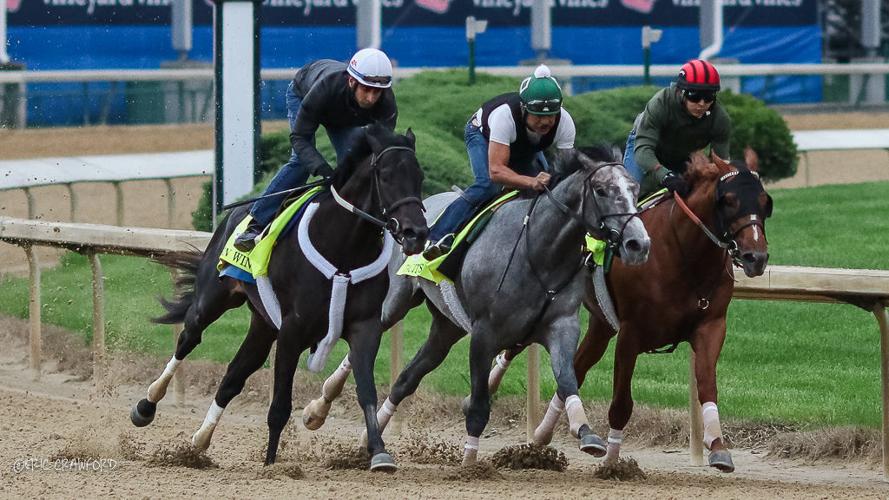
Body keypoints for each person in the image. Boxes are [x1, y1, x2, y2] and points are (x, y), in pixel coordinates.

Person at [234, 48, 398, 252]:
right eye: (366, 89)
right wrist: (322, 169)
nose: (372, 98)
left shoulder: (387, 104)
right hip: (303, 95)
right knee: (301, 163)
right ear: (351, 81)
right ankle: (256, 223)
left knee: (359, 164)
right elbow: (299, 138)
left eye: (377, 92)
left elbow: (379, 152)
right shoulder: (325, 89)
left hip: (343, 116)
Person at [422, 64, 576, 260]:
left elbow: (568, 171)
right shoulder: (505, 117)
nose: (545, 123)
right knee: (487, 185)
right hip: (482, 135)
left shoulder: (565, 122)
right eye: (538, 116)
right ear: (524, 109)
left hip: (523, 144)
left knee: (551, 191)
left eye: (550, 116)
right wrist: (531, 181)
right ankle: (437, 236)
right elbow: (496, 171)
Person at [624, 58, 731, 199]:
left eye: (709, 96)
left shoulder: (720, 119)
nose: (702, 103)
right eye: (694, 96)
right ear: (681, 92)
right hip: (645, 148)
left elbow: (721, 163)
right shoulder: (660, 104)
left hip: (682, 156)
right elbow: (643, 150)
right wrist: (665, 175)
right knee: (629, 195)